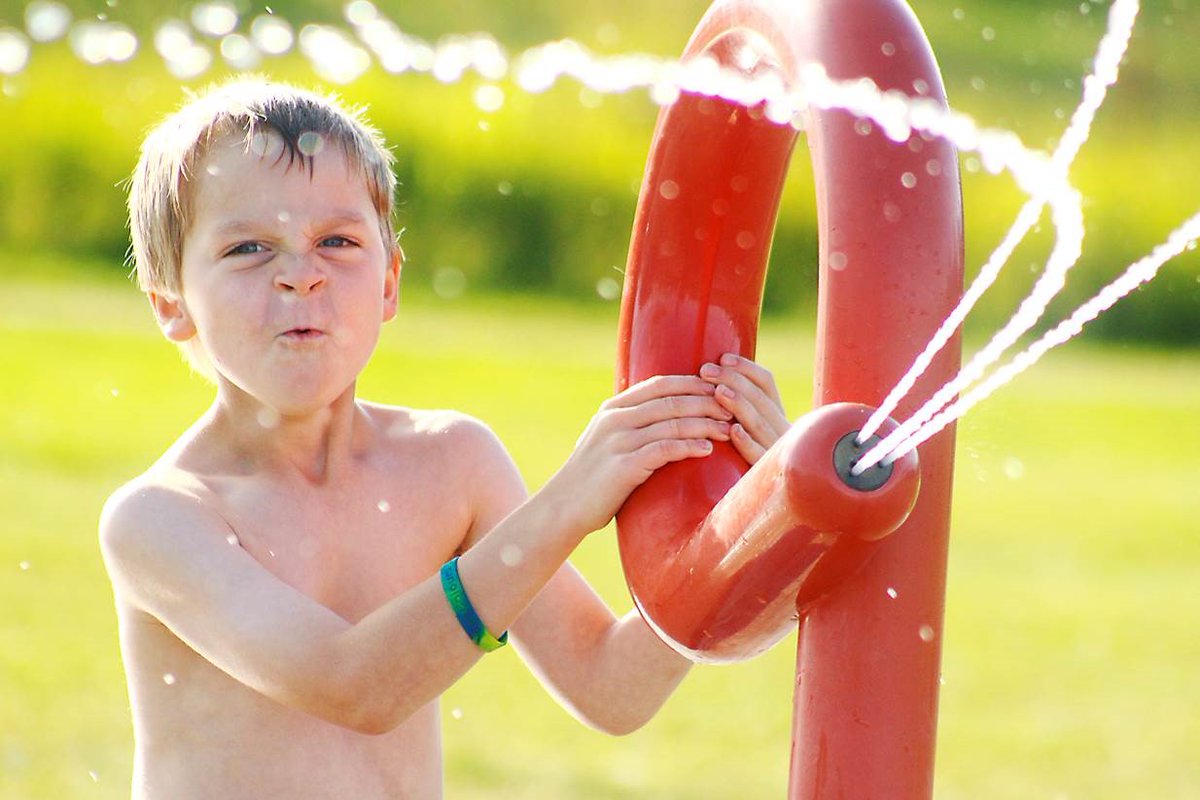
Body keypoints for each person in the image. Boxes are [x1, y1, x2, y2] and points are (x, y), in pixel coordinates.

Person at [99, 79, 791, 799]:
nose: (300, 277)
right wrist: (566, 505)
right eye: (248, 248)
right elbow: (355, 685)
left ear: (390, 282)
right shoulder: (162, 519)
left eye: (336, 241)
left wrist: (760, 507)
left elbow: (611, 685)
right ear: (171, 303)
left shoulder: (449, 463)